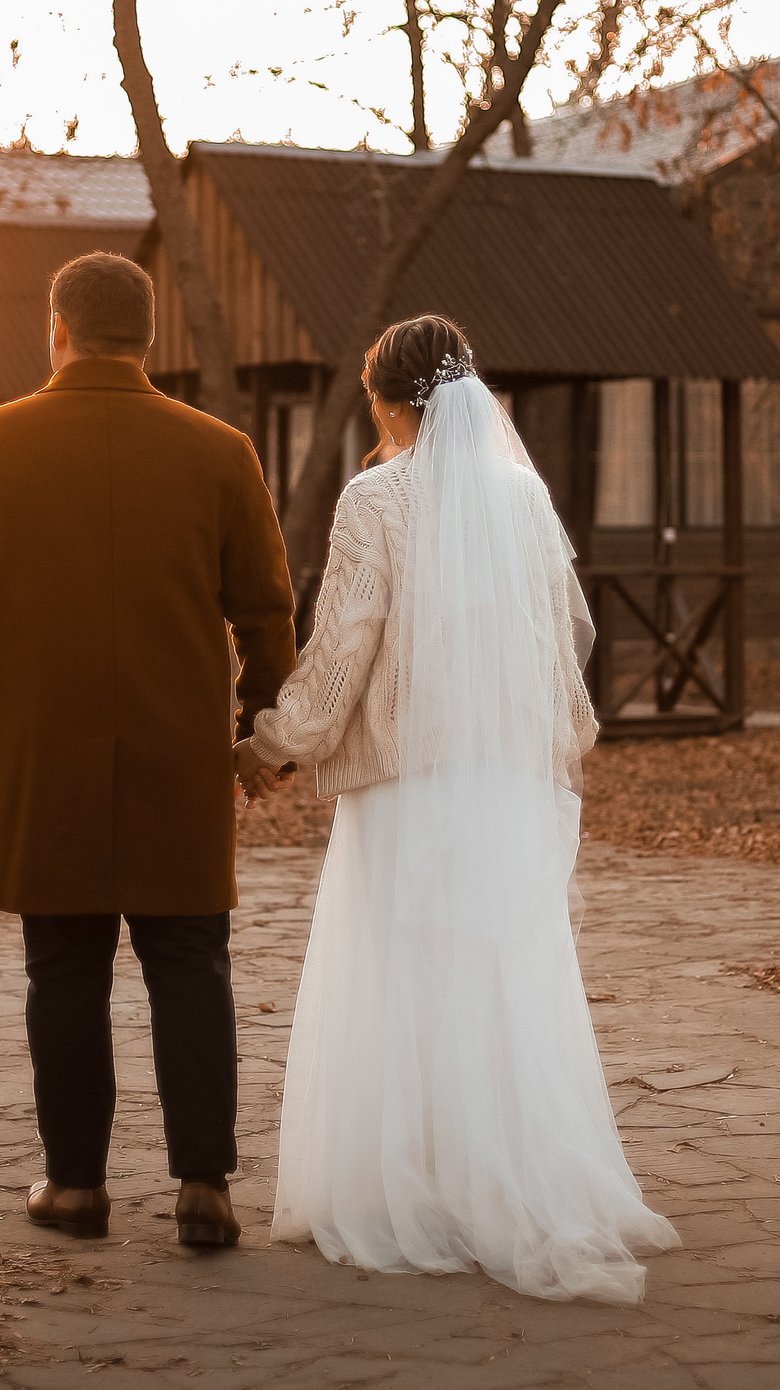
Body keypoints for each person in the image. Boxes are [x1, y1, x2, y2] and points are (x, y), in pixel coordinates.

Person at [238, 314, 678, 1304]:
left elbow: (346, 646)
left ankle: (415, 1185)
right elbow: (556, 641)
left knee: (401, 972)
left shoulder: (376, 499)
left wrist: (274, 742)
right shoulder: (522, 498)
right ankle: (509, 1170)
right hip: (505, 776)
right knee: (496, 970)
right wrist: (556, 747)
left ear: (387, 401)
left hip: (410, 780)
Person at [0, 251, 295, 1249]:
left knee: (65, 972)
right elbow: (265, 608)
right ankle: (203, 1185)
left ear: (58, 329)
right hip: (179, 758)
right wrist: (264, 728)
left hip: (46, 758)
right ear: (149, 339)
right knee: (192, 967)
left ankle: (76, 1188)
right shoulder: (220, 453)